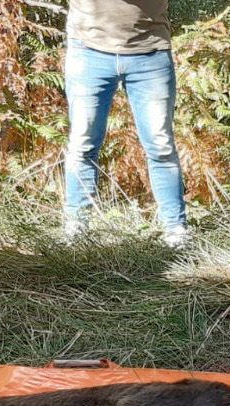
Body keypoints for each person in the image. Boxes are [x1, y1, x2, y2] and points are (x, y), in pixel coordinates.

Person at [62, 0, 189, 248]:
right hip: (88, 48)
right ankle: (76, 229)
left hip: (150, 51)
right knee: (82, 143)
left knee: (161, 146)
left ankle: (176, 230)